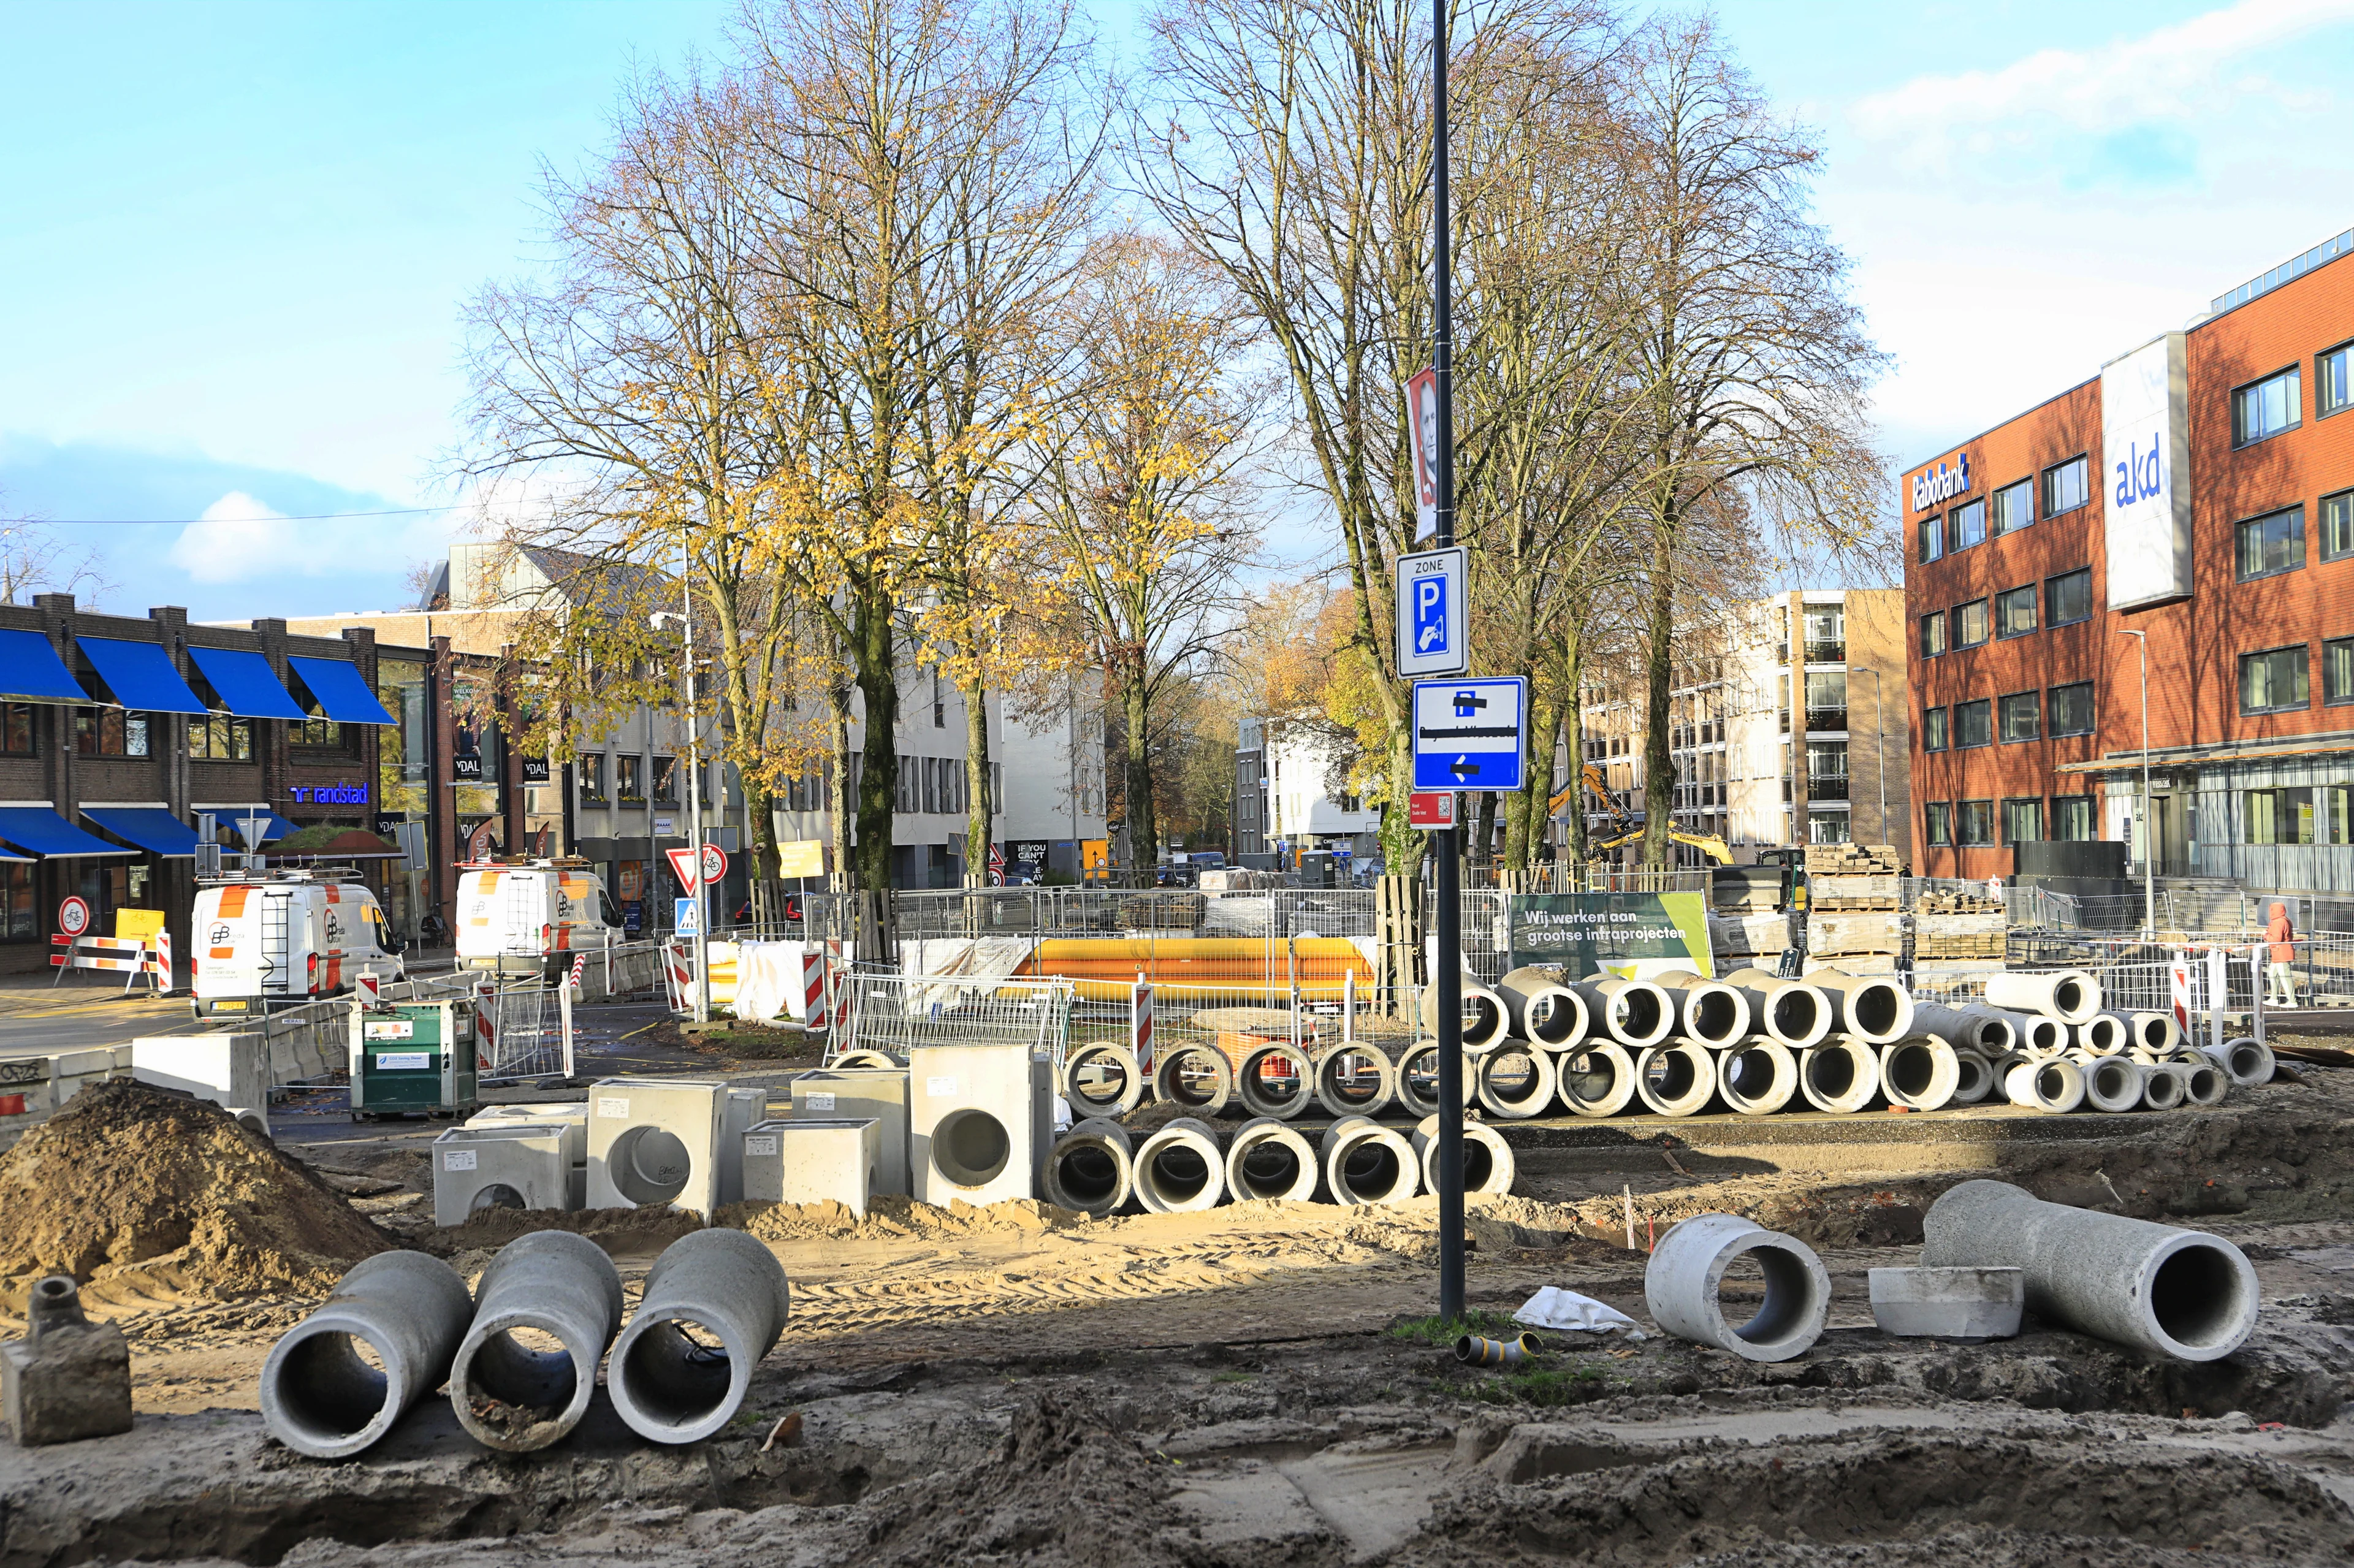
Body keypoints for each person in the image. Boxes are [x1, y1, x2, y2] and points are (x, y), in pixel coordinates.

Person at [2266, 901, 2298, 1007]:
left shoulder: (2278, 922)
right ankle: (2274, 998)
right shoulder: (2284, 920)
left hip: (2281, 954)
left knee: (2285, 977)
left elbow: (2276, 939)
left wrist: (2266, 936)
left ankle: (2292, 1001)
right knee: (2273, 974)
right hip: (2279, 953)